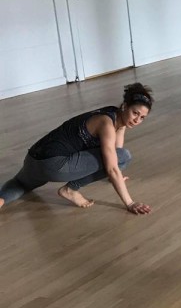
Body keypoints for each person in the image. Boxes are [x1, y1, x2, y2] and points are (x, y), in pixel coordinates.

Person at [0, 83, 153, 214]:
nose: (137, 120)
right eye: (135, 113)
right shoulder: (106, 123)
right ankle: (70, 190)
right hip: (54, 164)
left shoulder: (114, 115)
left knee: (20, 183)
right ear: (124, 106)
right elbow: (114, 165)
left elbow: (115, 152)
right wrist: (130, 203)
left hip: (33, 158)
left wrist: (116, 175)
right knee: (124, 156)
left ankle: (1, 199)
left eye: (142, 118)